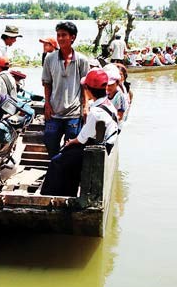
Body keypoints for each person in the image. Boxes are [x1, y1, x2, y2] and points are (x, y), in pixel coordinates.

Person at [40, 69, 118, 197]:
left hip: (94, 152)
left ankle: (48, 196)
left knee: (56, 161)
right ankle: (69, 191)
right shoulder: (108, 105)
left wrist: (70, 143)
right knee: (68, 155)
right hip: (101, 148)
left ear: (87, 89)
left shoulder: (96, 112)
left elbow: (80, 140)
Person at [42, 21, 89, 158]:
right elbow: (47, 83)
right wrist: (47, 104)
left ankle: (67, 175)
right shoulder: (50, 59)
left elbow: (84, 85)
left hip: (73, 113)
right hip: (54, 111)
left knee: (71, 148)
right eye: (58, 35)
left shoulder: (82, 60)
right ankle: (54, 169)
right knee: (50, 142)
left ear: (72, 37)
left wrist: (85, 107)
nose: (61, 38)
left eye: (64, 35)